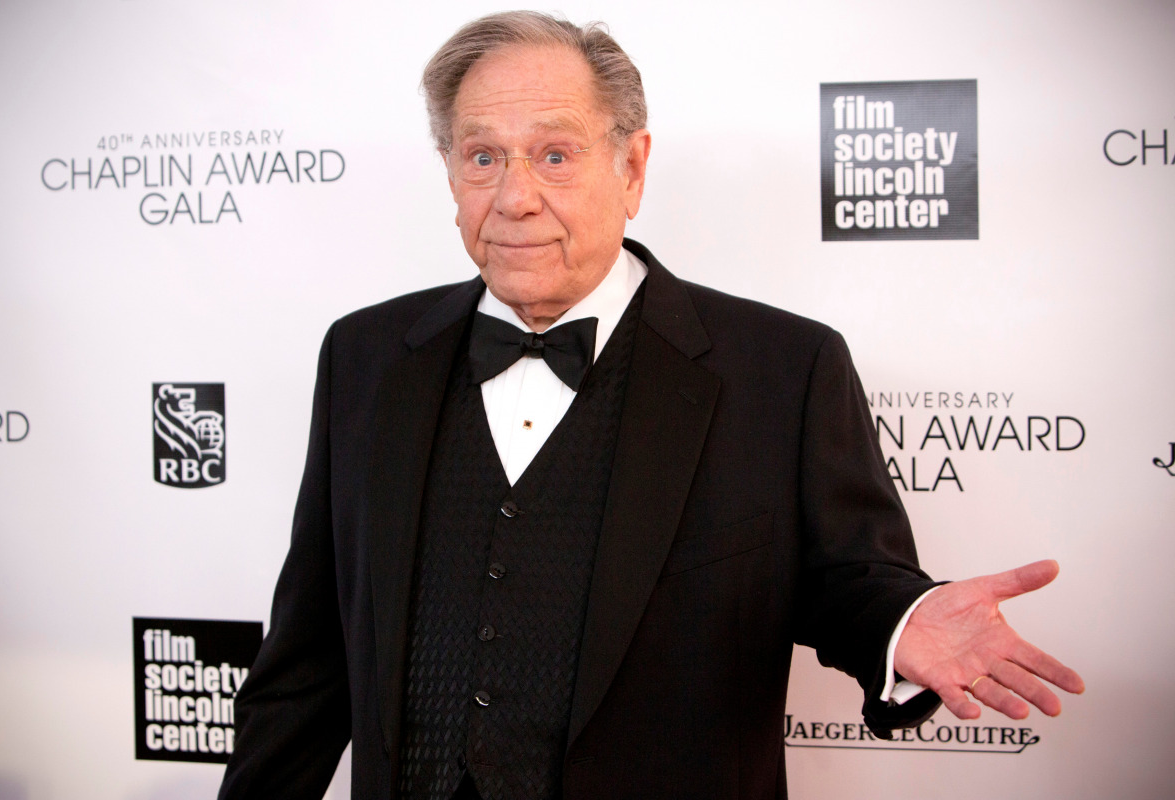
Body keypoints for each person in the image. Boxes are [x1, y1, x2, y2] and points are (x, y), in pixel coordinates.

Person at [218, 11, 1083, 800]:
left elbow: (849, 583)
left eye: (554, 155)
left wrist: (900, 623)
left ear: (630, 167)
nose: (515, 197)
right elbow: (307, 657)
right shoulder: (366, 356)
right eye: (483, 156)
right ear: (450, 171)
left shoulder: (781, 367)